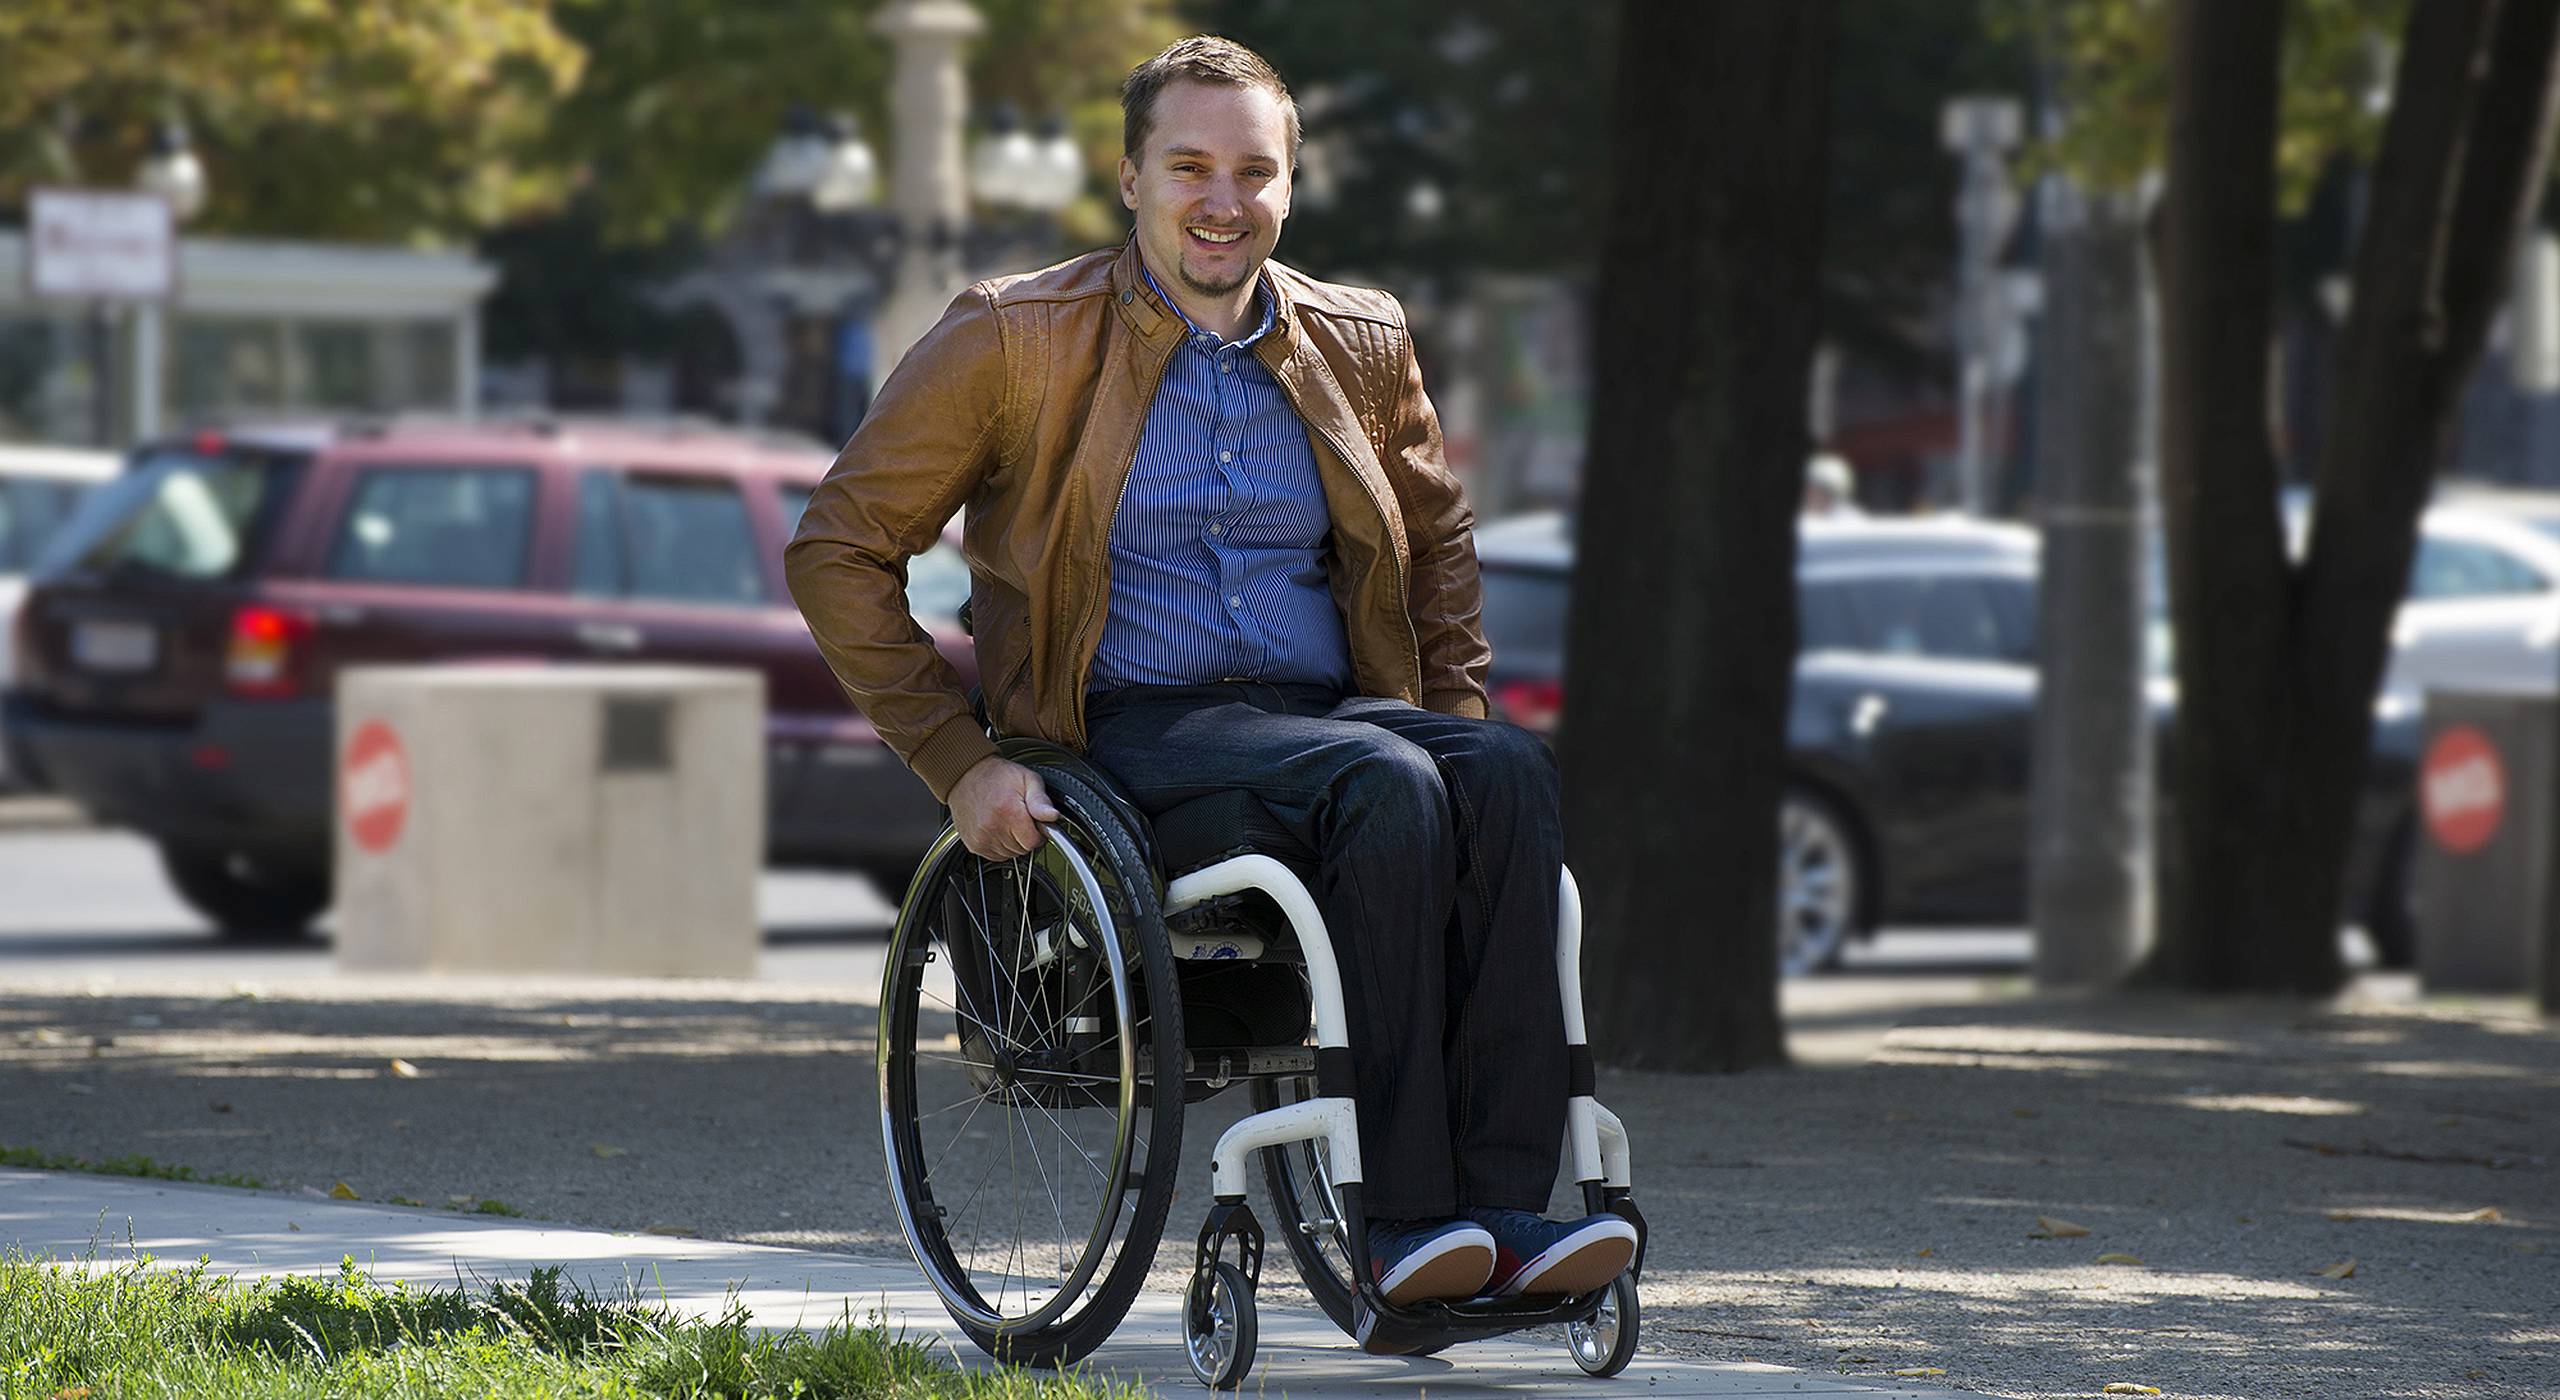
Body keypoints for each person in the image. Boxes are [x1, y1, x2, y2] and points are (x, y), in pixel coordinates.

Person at [784, 35, 1634, 1309]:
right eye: (1189, 167)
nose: (1222, 201)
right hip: (1125, 731)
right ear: (1131, 180)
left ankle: (1509, 1208)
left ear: (1290, 185)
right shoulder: (1014, 339)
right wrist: (958, 760)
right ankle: (1402, 1224)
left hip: (1333, 717)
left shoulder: (1359, 335)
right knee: (1385, 782)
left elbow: (1437, 546)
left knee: (1501, 767)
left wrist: (1448, 722)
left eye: (1253, 171)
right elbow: (839, 547)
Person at [1803, 451, 1864, 518]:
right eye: (1810, 487)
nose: (1809, 494)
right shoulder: (1805, 516)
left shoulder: (1853, 520)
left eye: (1819, 490)